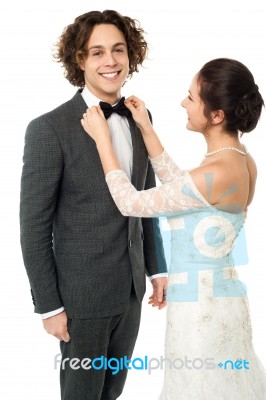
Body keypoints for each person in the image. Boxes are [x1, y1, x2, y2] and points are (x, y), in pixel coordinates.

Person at [81, 57, 266, 399]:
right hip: (214, 299)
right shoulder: (238, 159)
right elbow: (185, 190)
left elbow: (131, 203)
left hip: (201, 312)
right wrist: (147, 129)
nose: (183, 102)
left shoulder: (218, 172)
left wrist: (102, 140)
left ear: (216, 115)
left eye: (192, 97)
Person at [20, 10, 167, 400]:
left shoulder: (141, 116)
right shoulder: (48, 129)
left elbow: (145, 199)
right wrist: (48, 307)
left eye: (118, 50)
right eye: (97, 52)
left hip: (132, 293)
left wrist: (158, 269)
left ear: (130, 55)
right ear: (80, 60)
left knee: (112, 392)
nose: (110, 61)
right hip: (81, 299)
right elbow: (33, 226)